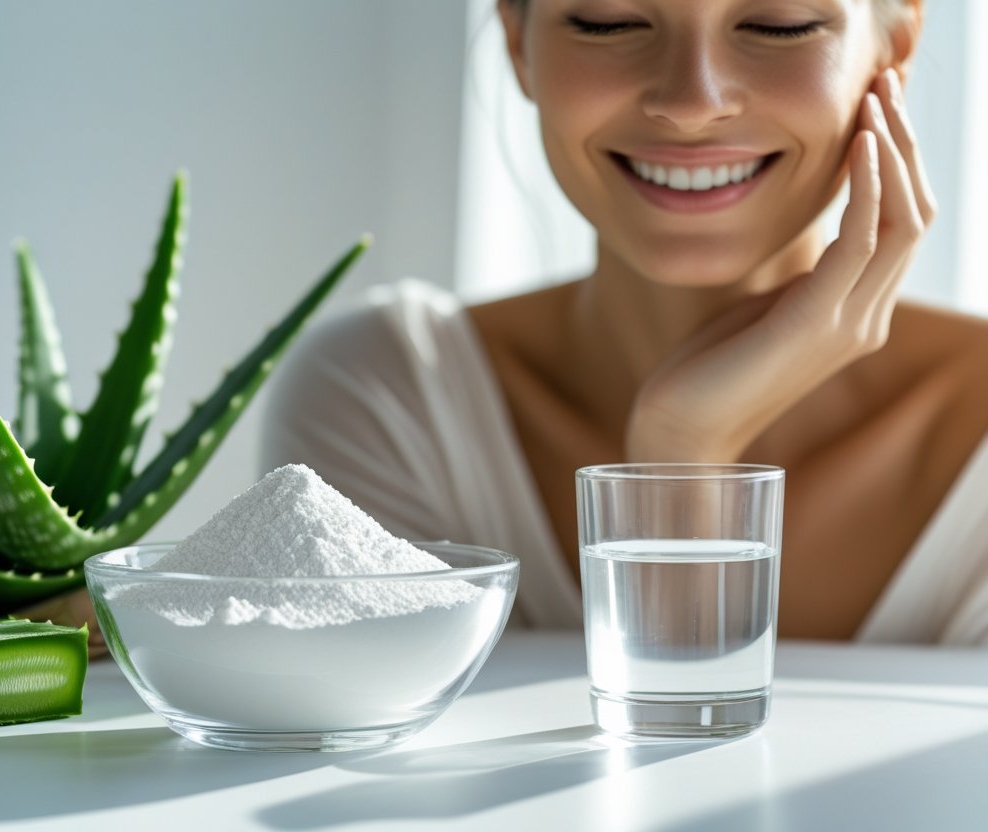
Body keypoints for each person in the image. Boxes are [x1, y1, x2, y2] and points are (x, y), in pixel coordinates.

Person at [260, 0, 988, 644]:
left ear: (895, 46)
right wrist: (683, 454)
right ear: (518, 42)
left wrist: (681, 447)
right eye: (608, 21)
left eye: (778, 24)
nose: (692, 102)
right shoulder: (388, 392)